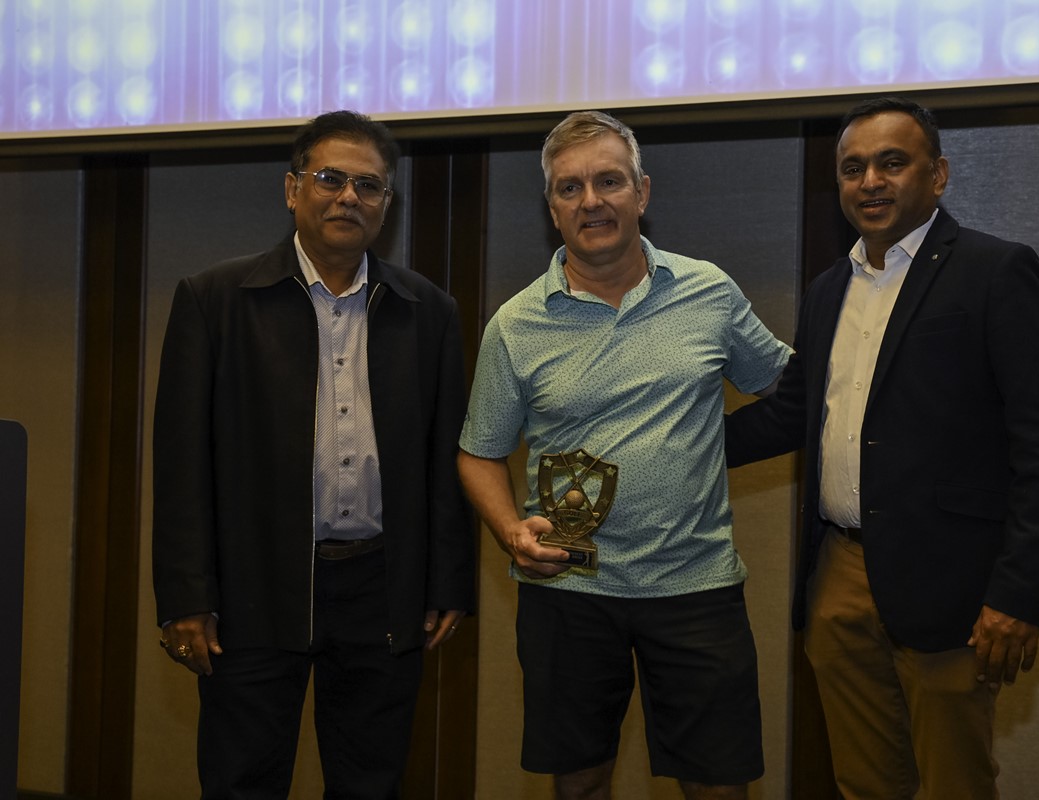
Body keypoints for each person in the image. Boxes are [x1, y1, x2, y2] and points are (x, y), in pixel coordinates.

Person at [725, 96, 1039, 799]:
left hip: (953, 588)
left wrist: (1020, 592)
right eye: (853, 168)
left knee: (956, 783)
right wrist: (671, 444)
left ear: (938, 174)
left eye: (892, 163)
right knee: (864, 783)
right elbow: (795, 413)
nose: (870, 182)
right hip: (839, 576)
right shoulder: (829, 289)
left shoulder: (995, 271)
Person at [457, 110, 791, 800]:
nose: (592, 201)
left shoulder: (708, 291)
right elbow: (479, 452)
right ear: (552, 208)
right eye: (570, 188)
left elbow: (789, 390)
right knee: (579, 784)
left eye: (609, 181)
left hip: (696, 587)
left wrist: (710, 445)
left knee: (720, 786)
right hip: (569, 592)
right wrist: (510, 531)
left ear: (642, 191)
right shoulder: (515, 324)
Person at [152, 109, 474, 799]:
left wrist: (448, 580)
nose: (348, 197)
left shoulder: (428, 311)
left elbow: (446, 458)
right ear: (292, 188)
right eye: (330, 178)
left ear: (386, 203)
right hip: (252, 589)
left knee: (371, 784)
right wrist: (185, 595)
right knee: (242, 780)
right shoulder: (214, 300)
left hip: (382, 587)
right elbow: (181, 465)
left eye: (369, 185)